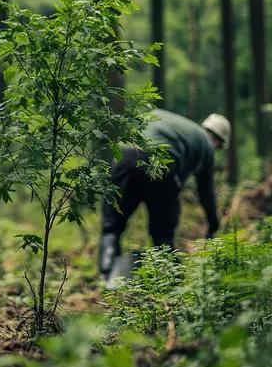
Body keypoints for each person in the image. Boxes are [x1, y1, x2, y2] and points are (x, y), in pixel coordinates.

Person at [99, 110, 231, 281]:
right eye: (218, 147)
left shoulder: (181, 127)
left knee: (112, 224)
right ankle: (172, 283)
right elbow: (206, 192)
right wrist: (213, 224)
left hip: (125, 155)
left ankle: (107, 275)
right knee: (162, 233)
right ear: (217, 140)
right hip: (159, 161)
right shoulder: (205, 144)